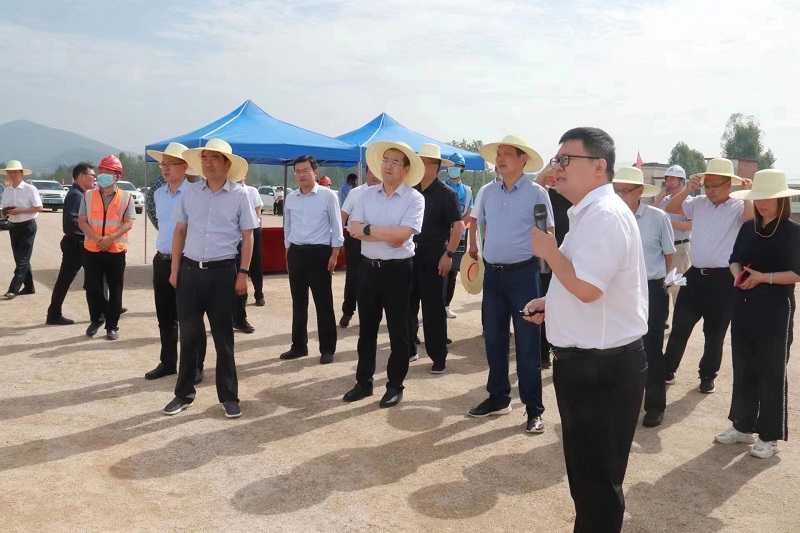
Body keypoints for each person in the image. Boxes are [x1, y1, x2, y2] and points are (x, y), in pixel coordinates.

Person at [523, 127, 647, 533]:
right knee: (587, 481)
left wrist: (549, 251)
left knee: (598, 484)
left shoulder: (605, 215)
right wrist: (552, 302)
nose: (556, 168)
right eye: (556, 160)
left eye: (565, 160)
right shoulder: (589, 214)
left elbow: (589, 289)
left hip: (602, 369)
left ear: (599, 167)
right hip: (588, 365)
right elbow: (583, 283)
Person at [162, 139, 259, 419]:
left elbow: (248, 237)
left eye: (214, 158)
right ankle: (183, 394)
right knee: (188, 337)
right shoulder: (191, 193)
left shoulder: (240, 195)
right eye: (204, 157)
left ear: (228, 164)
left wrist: (243, 274)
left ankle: (228, 396)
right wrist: (175, 270)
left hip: (223, 274)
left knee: (223, 338)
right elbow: (180, 231)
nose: (208, 163)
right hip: (190, 272)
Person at [469, 135, 553, 435]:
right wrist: (477, 249)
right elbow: (479, 224)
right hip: (493, 276)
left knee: (528, 345)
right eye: (498, 154)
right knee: (494, 340)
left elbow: (547, 233)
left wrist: (549, 273)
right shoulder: (487, 192)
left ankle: (534, 410)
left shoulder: (537, 194)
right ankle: (498, 398)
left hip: (523, 276)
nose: (500, 159)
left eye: (507, 154)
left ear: (523, 160)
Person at [715, 169, 799, 458]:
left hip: (776, 307)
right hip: (744, 303)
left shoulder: (792, 231)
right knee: (743, 365)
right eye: (758, 197)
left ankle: (770, 436)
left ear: (782, 200)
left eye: (768, 198)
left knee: (772, 369)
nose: (762, 203)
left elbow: (797, 273)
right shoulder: (748, 227)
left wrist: (764, 278)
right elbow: (734, 260)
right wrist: (739, 277)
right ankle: (742, 426)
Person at [345, 141, 425, 408]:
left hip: (398, 272)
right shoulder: (366, 195)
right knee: (366, 330)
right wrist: (382, 233)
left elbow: (401, 237)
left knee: (398, 332)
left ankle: (394, 385)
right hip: (368, 269)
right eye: (385, 161)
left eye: (395, 162)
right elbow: (353, 229)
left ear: (406, 169)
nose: (388, 166)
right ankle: (363, 382)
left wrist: (369, 229)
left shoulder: (414, 199)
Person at [663, 158, 753, 393]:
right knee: (680, 325)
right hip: (695, 276)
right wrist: (689, 189)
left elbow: (751, 219)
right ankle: (667, 369)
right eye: (707, 185)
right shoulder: (698, 203)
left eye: (715, 185)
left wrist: (748, 194)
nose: (710, 190)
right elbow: (671, 208)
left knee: (714, 332)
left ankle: (707, 376)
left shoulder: (738, 206)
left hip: (723, 279)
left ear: (728, 185)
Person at [613, 166, 675, 427]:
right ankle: (623, 402)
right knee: (618, 347)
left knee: (651, 348)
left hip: (650, 288)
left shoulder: (658, 218)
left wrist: (662, 283)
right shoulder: (610, 217)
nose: (619, 195)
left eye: (625, 191)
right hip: (619, 289)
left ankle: (655, 405)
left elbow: (669, 254)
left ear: (639, 191)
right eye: (616, 190)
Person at [144, 142, 205, 383]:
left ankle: (196, 365)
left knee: (191, 318)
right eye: (163, 164)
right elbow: (160, 224)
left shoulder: (195, 194)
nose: (165, 169)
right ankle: (168, 362)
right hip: (162, 260)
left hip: (187, 262)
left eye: (171, 164)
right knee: (165, 316)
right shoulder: (158, 194)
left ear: (185, 167)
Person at [280, 155, 343, 364]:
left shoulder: (328, 196)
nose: (301, 175)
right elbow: (287, 228)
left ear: (315, 172)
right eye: (298, 171)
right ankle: (299, 346)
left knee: (323, 302)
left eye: (305, 170)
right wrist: (288, 253)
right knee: (298, 303)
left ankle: (327, 348)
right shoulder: (291, 198)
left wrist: (334, 254)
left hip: (319, 253)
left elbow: (336, 227)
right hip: (296, 252)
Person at [408, 144, 464, 372]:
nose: (419, 167)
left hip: (435, 257)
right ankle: (409, 349)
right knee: (407, 306)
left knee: (433, 310)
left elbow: (458, 226)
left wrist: (448, 254)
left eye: (424, 163)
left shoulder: (446, 194)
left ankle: (438, 357)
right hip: (409, 254)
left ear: (436, 167)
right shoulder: (411, 190)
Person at [77, 157, 136, 340]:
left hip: (115, 250)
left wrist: (110, 238)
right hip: (92, 249)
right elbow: (82, 221)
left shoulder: (126, 197)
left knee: (115, 290)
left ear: (117, 176)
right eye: (101, 171)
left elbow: (128, 223)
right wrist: (98, 239)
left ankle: (112, 326)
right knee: (92, 288)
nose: (102, 175)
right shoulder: (88, 196)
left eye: (107, 172)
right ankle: (96, 319)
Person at [46, 163, 96, 324]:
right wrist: (91, 232)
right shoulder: (76, 195)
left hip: (79, 242)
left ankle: (107, 307)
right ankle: (54, 314)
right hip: (76, 243)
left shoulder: (81, 194)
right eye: (92, 175)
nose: (94, 179)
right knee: (66, 279)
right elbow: (73, 221)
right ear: (81, 176)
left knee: (95, 277)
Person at [535, 166, 572, 369]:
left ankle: (563, 352)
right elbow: (538, 185)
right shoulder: (551, 195)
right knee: (547, 304)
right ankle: (543, 355)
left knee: (568, 308)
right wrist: (549, 168)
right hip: (549, 260)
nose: (559, 178)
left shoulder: (580, 198)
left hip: (573, 260)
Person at [339, 166, 382, 328]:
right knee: (353, 277)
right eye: (371, 172)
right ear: (366, 173)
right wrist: (339, 239)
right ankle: (347, 311)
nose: (374, 176)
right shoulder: (355, 193)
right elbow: (343, 215)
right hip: (355, 241)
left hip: (377, 240)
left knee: (374, 279)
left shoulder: (386, 193)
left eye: (377, 172)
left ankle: (371, 316)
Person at [654, 164, 693, 322]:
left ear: (682, 181)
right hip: (662, 250)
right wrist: (659, 199)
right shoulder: (664, 200)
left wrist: (668, 223)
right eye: (667, 179)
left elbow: (691, 225)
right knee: (661, 286)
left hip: (679, 247)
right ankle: (662, 321)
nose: (668, 183)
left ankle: (679, 323)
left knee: (678, 288)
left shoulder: (689, 201)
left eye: (672, 179)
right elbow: (651, 216)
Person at [0, 160, 42, 299]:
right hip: (13, 226)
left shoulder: (30, 189)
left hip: (27, 226)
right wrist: (5, 212)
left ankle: (13, 288)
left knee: (22, 259)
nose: (13, 174)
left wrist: (21, 211)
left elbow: (39, 207)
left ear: (21, 173)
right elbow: (3, 210)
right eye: (10, 172)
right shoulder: (7, 191)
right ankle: (29, 287)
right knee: (20, 258)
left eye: (15, 172)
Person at [232, 175, 265, 336]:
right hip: (232, 236)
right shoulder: (227, 192)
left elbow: (258, 212)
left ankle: (258, 295)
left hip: (250, 231)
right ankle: (229, 318)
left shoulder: (251, 191)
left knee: (251, 267)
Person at [443, 152, 473, 319]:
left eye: (457, 167)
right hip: (442, 237)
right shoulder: (441, 187)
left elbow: (469, 213)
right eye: (451, 167)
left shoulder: (467, 191)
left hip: (459, 238)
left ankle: (446, 305)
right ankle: (437, 304)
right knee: (440, 272)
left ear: (462, 169)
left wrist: (457, 227)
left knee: (453, 273)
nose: (454, 169)